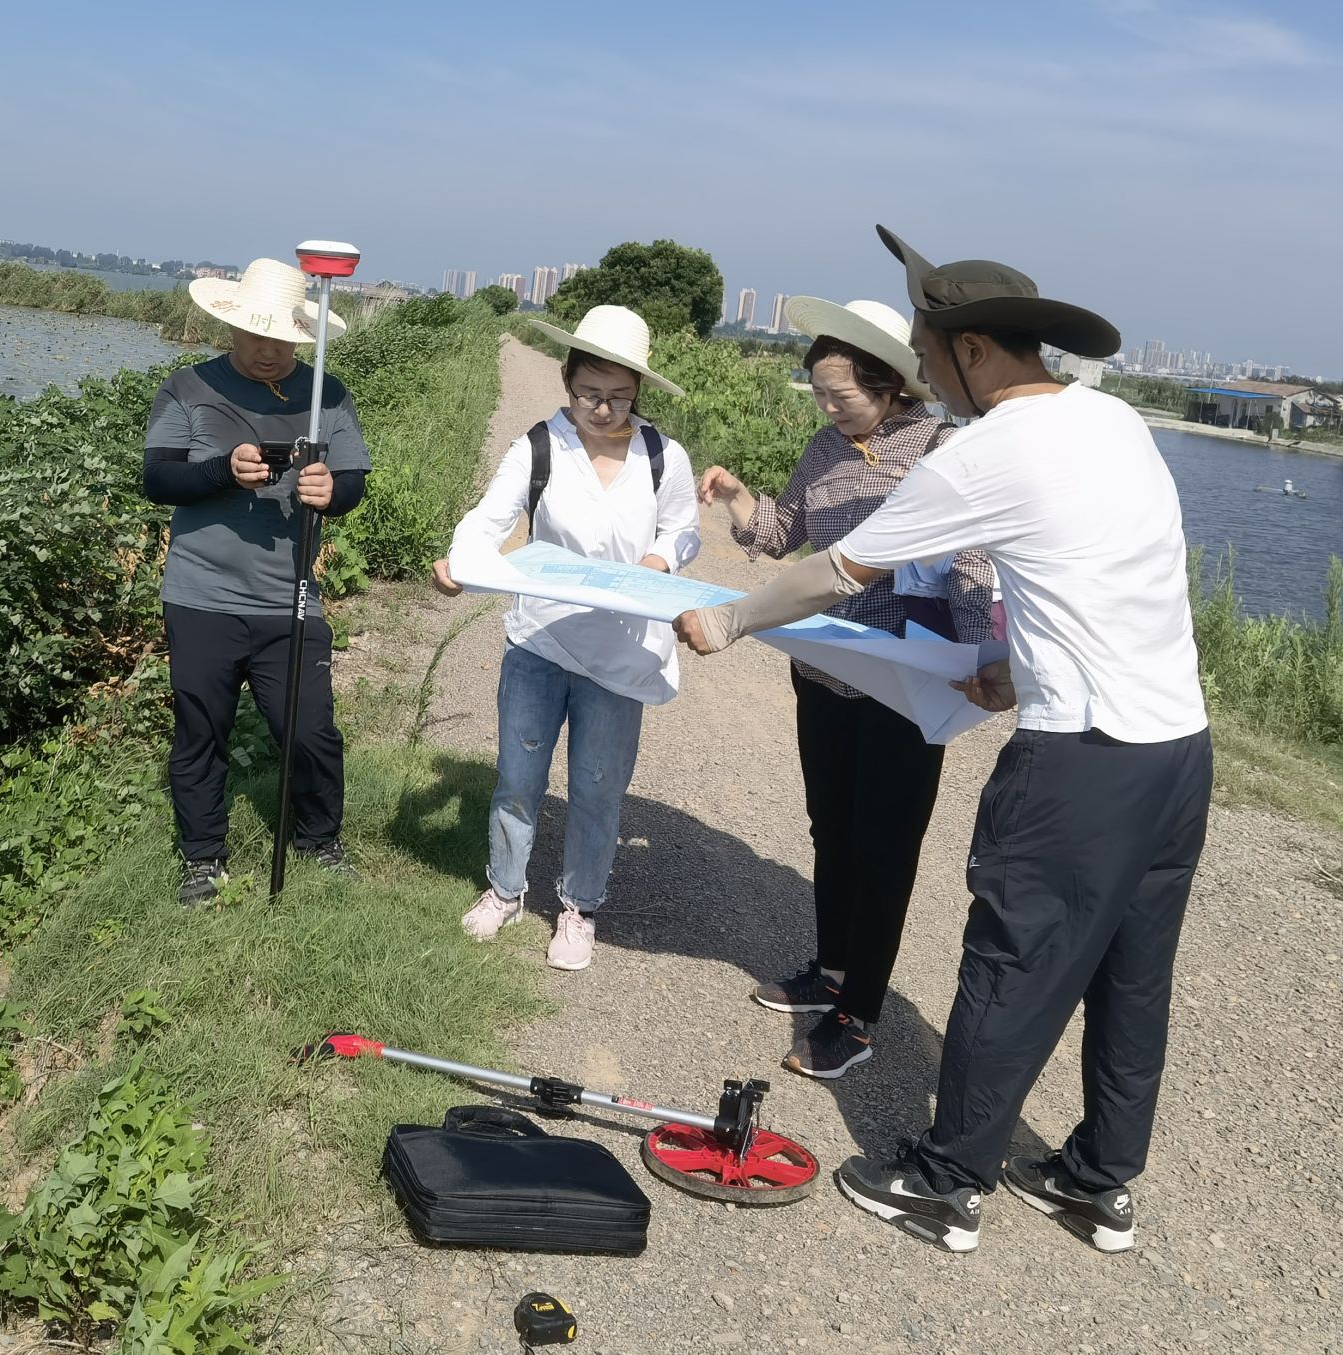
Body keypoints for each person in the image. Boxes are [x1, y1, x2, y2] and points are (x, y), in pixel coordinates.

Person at [675, 227, 1211, 1256]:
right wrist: (1017, 659)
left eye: (923, 349)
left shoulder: (985, 447)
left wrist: (732, 621)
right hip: (1177, 747)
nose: (919, 368)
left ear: (971, 349)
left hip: (1084, 759)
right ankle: (1098, 1179)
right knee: (1132, 973)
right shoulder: (1115, 421)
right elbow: (1106, 576)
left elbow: (838, 571)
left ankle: (947, 1176)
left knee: (1012, 960)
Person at [697, 297, 995, 1079]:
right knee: (830, 826)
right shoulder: (824, 447)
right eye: (820, 394)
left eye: (843, 396)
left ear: (894, 384)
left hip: (904, 685)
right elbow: (779, 532)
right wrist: (733, 497)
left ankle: (860, 1011)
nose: (829, 409)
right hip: (823, 671)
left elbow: (971, 563)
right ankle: (829, 970)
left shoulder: (941, 451)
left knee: (884, 846)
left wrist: (973, 661)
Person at [433, 305, 700, 971]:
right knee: (519, 778)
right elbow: (486, 520)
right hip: (539, 642)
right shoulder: (540, 446)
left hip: (621, 651)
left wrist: (659, 564)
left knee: (597, 787)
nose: (602, 409)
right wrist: (459, 563)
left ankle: (579, 907)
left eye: (617, 396)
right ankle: (504, 890)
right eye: (589, 394)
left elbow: (683, 529)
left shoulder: (664, 457)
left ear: (637, 390)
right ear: (567, 380)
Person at [142, 257, 370, 906]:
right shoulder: (186, 387)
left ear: (303, 336)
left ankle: (320, 841)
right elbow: (158, 478)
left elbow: (351, 480)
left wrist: (332, 491)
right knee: (200, 728)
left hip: (289, 597)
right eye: (256, 337)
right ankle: (202, 857)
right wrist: (221, 469)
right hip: (199, 593)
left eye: (283, 340)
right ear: (230, 328)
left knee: (308, 730)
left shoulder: (329, 391)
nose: (269, 352)